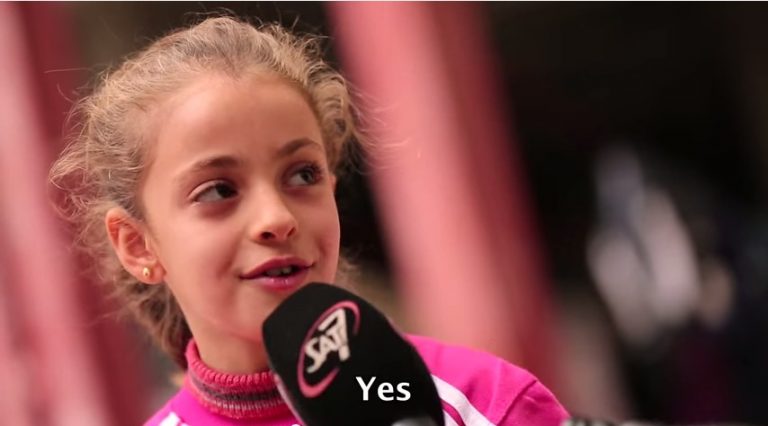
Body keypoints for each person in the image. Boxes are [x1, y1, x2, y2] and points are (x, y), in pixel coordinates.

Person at [49, 16, 568, 426]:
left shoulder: (483, 401)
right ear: (137, 244)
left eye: (302, 175)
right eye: (218, 191)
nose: (277, 218)